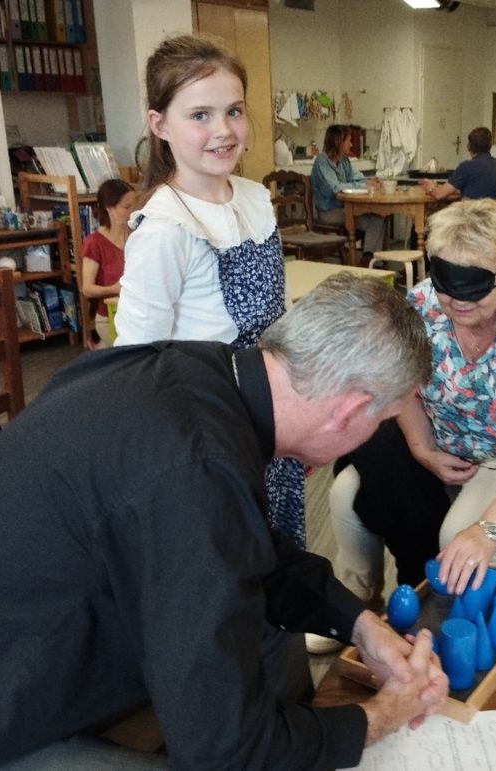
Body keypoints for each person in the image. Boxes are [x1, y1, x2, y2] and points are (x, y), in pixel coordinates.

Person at [0, 274, 448, 771]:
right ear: (349, 409)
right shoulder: (195, 466)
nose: (378, 437)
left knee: (271, 643)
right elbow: (221, 749)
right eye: (385, 421)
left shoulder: (194, 372)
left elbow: (237, 547)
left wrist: (359, 623)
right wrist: (376, 719)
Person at [324, 200, 496, 636]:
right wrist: (422, 449)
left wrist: (487, 531)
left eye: (473, 289)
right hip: (452, 439)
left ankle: (478, 634)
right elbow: (405, 387)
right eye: (445, 285)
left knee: (461, 536)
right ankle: (356, 609)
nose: (455, 302)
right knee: (345, 494)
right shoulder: (422, 305)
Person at [112, 36, 306, 546]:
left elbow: (276, 321)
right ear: (160, 126)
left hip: (269, 418)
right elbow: (135, 363)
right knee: (230, 570)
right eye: (200, 115)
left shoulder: (256, 198)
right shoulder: (163, 228)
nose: (223, 131)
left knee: (279, 567)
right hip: (206, 432)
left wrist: (296, 426)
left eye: (234, 111)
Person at [311, 124, 384, 262]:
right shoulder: (322, 162)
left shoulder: (343, 161)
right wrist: (363, 185)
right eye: (348, 141)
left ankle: (370, 259)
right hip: (329, 212)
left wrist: (369, 181)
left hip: (345, 208)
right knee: (374, 221)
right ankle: (368, 261)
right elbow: (336, 188)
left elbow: (355, 176)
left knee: (378, 218)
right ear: (339, 142)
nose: (351, 144)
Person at [79, 178, 136, 349]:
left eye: (135, 206)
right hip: (110, 316)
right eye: (127, 207)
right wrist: (113, 289)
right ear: (109, 208)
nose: (133, 211)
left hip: (136, 313)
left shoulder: (138, 235)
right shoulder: (94, 243)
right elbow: (87, 289)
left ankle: (101, 350)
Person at [421, 127, 496, 201]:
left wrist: (431, 187)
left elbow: (439, 195)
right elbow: (481, 188)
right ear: (490, 146)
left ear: (469, 147)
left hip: (474, 219)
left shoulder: (467, 167)